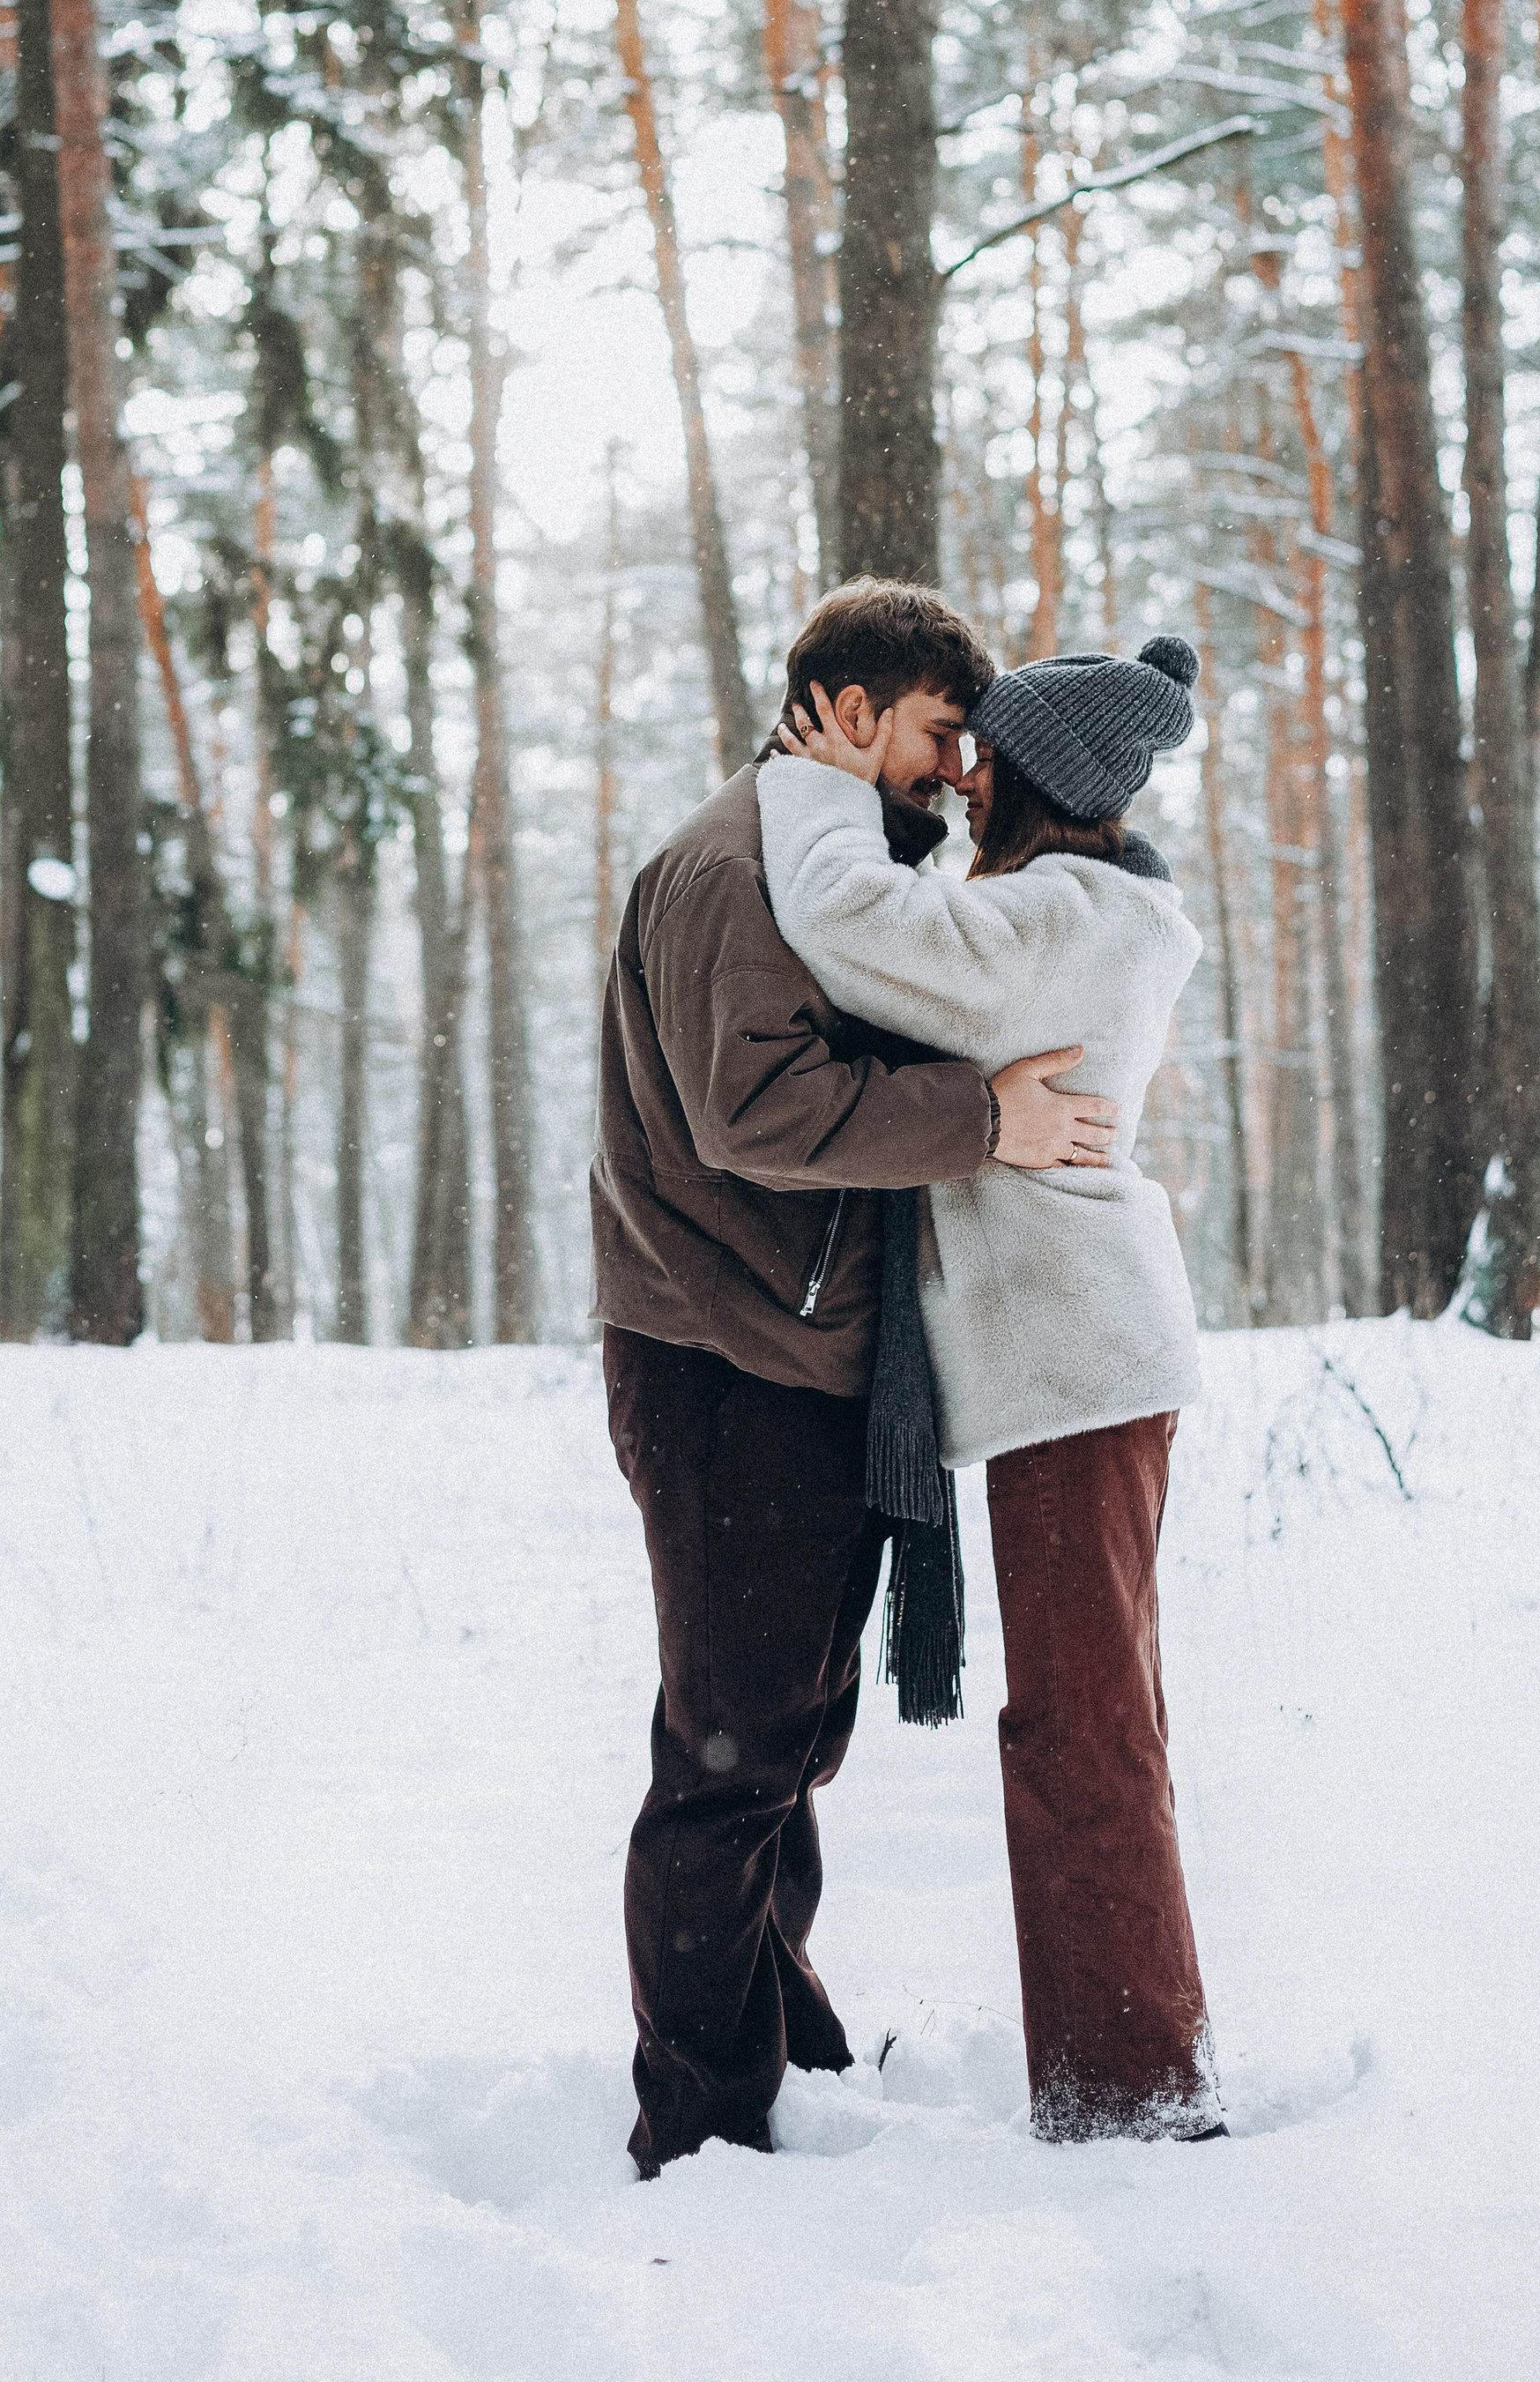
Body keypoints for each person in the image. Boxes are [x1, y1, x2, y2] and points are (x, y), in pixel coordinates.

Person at [591, 580, 1120, 2178]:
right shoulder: (729, 867)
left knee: (791, 1736)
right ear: (845, 709)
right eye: (942, 735)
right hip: (725, 1351)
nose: (961, 772)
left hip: (792, 1344)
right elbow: (750, 1108)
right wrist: (985, 1123)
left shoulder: (825, 858)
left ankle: (781, 2032)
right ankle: (698, 2116)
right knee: (729, 1750)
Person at [760, 636, 1222, 2141]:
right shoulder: (1075, 912)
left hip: (1080, 1372)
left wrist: (813, 784)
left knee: (1086, 1732)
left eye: (983, 756)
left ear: (1040, 781)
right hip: (1085, 1369)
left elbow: (847, 924)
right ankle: (1126, 2078)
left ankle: (1135, 2095)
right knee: (1095, 1722)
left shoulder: (1054, 924)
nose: (959, 775)